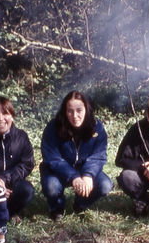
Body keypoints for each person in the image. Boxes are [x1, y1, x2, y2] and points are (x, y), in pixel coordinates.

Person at [40, 90, 113, 219]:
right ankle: (56, 207)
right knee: (52, 187)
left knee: (105, 185)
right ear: (64, 111)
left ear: (86, 109)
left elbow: (98, 155)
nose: (75, 116)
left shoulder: (97, 127)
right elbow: (52, 158)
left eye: (79, 110)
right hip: (57, 170)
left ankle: (81, 203)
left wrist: (88, 175)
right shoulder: (53, 127)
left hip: (84, 169)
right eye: (70, 111)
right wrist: (73, 177)